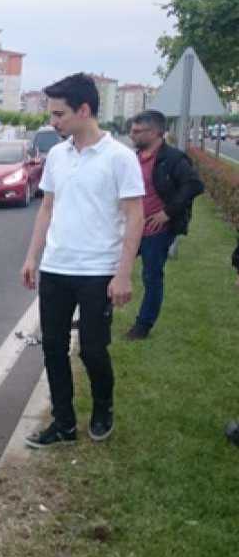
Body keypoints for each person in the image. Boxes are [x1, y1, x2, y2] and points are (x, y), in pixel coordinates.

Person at [20, 73, 145, 447]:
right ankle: (63, 424)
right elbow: (47, 209)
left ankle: (103, 407)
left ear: (84, 110)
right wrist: (32, 257)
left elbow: (135, 216)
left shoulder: (119, 158)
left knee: (92, 349)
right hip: (56, 268)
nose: (52, 122)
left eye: (59, 114)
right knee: (53, 348)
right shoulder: (57, 155)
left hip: (97, 272)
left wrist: (123, 274)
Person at [125, 110, 204, 340]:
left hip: (156, 230)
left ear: (157, 132)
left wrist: (167, 213)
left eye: (138, 131)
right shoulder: (133, 157)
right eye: (132, 129)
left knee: (151, 276)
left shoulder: (173, 159)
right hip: (132, 226)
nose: (132, 134)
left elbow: (194, 185)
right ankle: (99, 313)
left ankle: (143, 326)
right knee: (111, 266)